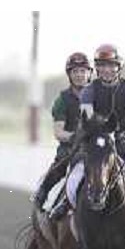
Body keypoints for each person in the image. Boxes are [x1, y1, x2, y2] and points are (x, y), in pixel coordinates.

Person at [50, 44, 125, 221]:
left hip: (123, 142)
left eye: (111, 65)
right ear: (97, 69)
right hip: (98, 142)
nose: (106, 70)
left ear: (118, 67)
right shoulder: (89, 90)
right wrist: (98, 132)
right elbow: (88, 114)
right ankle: (65, 202)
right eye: (102, 66)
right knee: (76, 168)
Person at [33, 52, 92, 210]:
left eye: (82, 71)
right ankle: (44, 196)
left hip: (95, 148)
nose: (79, 75)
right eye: (75, 71)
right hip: (70, 149)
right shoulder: (62, 100)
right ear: (69, 75)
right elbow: (58, 132)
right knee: (57, 170)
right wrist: (75, 137)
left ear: (89, 73)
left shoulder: (99, 96)